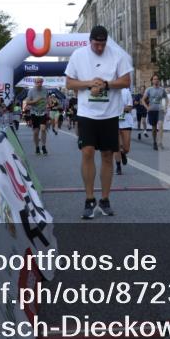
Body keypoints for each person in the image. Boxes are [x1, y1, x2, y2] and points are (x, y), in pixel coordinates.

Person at [64, 25, 132, 219]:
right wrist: (89, 83)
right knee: (87, 152)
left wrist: (106, 84)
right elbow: (69, 83)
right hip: (87, 113)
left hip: (110, 113)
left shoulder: (117, 55)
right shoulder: (78, 55)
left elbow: (126, 81)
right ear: (90, 41)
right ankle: (89, 199)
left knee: (107, 155)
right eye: (96, 44)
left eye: (103, 44)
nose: (100, 48)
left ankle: (105, 199)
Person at [23, 77, 50, 154]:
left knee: (43, 129)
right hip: (34, 113)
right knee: (36, 132)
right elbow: (27, 102)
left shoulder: (45, 90)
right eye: (37, 82)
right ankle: (37, 147)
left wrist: (48, 104)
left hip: (43, 112)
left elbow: (47, 98)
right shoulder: (31, 91)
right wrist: (36, 100)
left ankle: (43, 146)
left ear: (42, 82)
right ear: (35, 83)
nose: (39, 84)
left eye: (40, 82)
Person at [142, 74, 167, 150]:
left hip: (160, 110)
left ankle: (160, 142)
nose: (156, 80)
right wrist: (147, 107)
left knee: (161, 126)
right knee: (154, 128)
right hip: (152, 111)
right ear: (152, 81)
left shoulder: (162, 89)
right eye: (154, 79)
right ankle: (154, 142)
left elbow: (165, 99)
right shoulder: (149, 89)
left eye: (157, 79)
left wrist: (165, 107)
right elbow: (143, 100)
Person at [118, 87, 135, 174]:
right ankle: (118, 166)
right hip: (113, 121)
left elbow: (130, 107)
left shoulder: (126, 92)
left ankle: (123, 153)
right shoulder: (111, 90)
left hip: (126, 120)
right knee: (116, 146)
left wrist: (119, 109)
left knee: (126, 148)